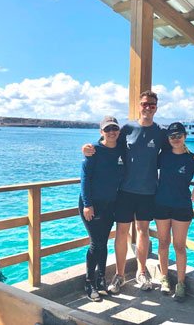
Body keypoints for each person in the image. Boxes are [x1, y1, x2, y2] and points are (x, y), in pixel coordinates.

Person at [82, 90, 194, 294]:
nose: (148, 107)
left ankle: (141, 272)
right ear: (139, 105)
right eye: (145, 104)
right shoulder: (127, 128)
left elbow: (177, 147)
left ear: (156, 108)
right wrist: (88, 148)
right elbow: (108, 143)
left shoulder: (160, 132)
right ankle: (119, 275)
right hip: (125, 192)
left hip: (149, 192)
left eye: (152, 105)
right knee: (121, 233)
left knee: (143, 232)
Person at [154, 122, 194, 302]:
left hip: (182, 206)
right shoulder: (162, 156)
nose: (176, 139)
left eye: (179, 135)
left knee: (179, 246)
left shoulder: (191, 158)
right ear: (168, 139)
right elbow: (144, 165)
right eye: (172, 136)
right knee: (163, 243)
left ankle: (180, 283)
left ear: (185, 136)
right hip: (161, 204)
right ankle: (164, 278)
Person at [79, 116, 124, 301]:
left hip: (110, 204)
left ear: (119, 131)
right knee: (95, 243)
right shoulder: (93, 151)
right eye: (107, 129)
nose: (111, 132)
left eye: (114, 128)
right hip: (92, 205)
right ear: (101, 132)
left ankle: (101, 279)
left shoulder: (122, 150)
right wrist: (88, 205)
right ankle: (89, 282)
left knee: (103, 243)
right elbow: (84, 179)